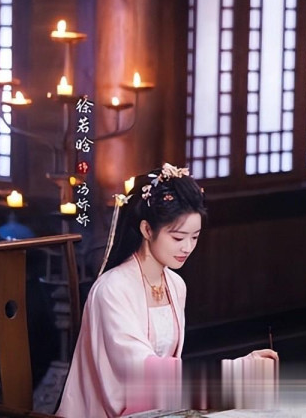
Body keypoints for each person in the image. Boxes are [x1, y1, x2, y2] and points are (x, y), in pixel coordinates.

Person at [57, 163, 277, 417]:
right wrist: (235, 373)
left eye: (195, 237)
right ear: (147, 229)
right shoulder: (112, 290)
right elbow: (140, 374)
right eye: (178, 237)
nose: (187, 247)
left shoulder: (175, 284)